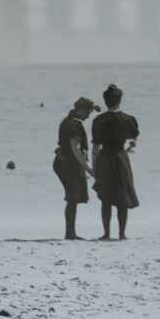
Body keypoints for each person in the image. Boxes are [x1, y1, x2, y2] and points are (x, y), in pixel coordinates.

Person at [90, 83, 140, 240]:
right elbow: (134, 137)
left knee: (106, 197)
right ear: (120, 100)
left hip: (105, 158)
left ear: (105, 101)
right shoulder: (128, 119)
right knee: (122, 198)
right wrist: (131, 146)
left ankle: (106, 234)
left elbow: (96, 148)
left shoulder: (99, 120)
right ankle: (122, 234)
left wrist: (94, 167)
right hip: (121, 157)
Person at [53, 96, 99, 240]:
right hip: (66, 163)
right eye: (87, 111)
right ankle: (70, 233)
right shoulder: (73, 125)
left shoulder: (70, 121)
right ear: (79, 110)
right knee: (72, 196)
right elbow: (76, 149)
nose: (89, 115)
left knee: (73, 196)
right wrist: (88, 168)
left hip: (65, 161)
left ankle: (70, 232)